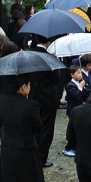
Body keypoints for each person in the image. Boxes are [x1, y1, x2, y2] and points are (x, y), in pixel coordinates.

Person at [0, 75, 46, 182]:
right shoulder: (31, 105)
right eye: (29, 85)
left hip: (8, 147)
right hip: (27, 148)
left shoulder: (2, 101)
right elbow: (38, 127)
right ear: (24, 87)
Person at [29, 34, 64, 167]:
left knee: (34, 127)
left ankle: (32, 155)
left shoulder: (29, 55)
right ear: (48, 41)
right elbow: (56, 79)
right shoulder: (49, 57)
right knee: (47, 129)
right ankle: (41, 158)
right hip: (48, 98)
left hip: (33, 95)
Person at [62, 65, 87, 157]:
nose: (80, 75)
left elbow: (84, 93)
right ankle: (70, 147)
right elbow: (76, 96)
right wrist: (80, 87)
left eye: (81, 73)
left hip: (78, 109)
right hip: (73, 110)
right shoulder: (70, 85)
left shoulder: (79, 83)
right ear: (72, 75)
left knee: (77, 129)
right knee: (74, 129)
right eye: (78, 73)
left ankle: (76, 146)